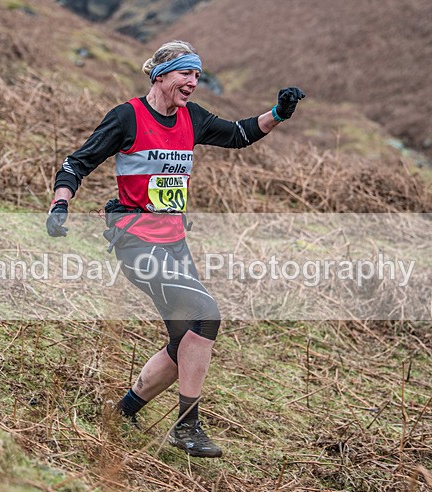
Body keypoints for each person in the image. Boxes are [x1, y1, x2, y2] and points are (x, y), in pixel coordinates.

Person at [46, 40, 304, 458]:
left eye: (198, 76)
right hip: (135, 241)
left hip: (174, 242)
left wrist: (278, 114)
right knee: (207, 314)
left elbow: (239, 135)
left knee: (185, 337)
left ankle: (124, 412)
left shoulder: (193, 119)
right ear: (162, 75)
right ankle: (188, 427)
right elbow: (77, 162)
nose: (193, 82)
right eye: (186, 74)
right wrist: (61, 202)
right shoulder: (127, 116)